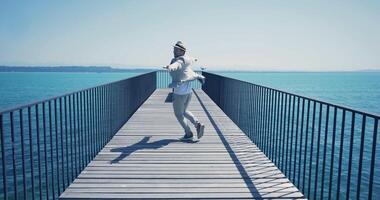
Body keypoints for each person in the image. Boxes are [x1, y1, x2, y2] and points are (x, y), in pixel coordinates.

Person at [163, 41, 205, 141]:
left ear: (182, 51)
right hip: (188, 93)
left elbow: (176, 65)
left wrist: (170, 67)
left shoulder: (180, 61)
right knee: (184, 111)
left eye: (176, 49)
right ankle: (197, 124)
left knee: (178, 114)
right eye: (174, 49)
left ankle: (188, 134)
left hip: (179, 93)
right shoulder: (186, 61)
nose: (173, 50)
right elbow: (190, 69)